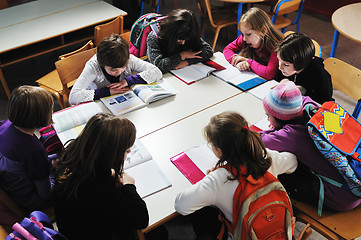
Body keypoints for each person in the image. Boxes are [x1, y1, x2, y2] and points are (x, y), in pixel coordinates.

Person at [175, 111, 297, 239]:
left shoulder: (219, 179)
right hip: (280, 234)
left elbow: (181, 206)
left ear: (220, 151)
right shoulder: (266, 157)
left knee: (201, 215)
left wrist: (209, 179)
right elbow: (293, 162)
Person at [261, 81, 361, 212]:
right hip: (354, 183)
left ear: (280, 117)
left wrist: (272, 131)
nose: (267, 119)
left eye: (268, 116)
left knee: (283, 175)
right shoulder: (313, 109)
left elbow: (257, 140)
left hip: (339, 197)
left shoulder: (291, 135)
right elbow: (304, 99)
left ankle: (291, 213)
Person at [55, 113, 149, 240]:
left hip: (70, 227)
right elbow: (141, 219)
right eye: (126, 150)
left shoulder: (72, 154)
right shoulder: (98, 185)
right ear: (112, 153)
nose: (129, 152)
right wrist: (129, 186)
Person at [0, 85, 56, 211]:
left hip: (11, 186)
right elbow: (45, 193)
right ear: (40, 115)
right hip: (31, 202)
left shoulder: (5, 124)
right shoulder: (32, 149)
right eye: (50, 109)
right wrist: (54, 171)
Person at [69, 34, 162, 105]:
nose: (119, 72)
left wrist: (128, 81)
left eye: (123, 67)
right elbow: (73, 97)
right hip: (101, 104)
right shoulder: (93, 65)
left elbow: (156, 72)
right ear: (103, 64)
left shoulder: (127, 58)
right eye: (113, 70)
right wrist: (107, 91)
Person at [223, 7, 283, 80]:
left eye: (248, 34)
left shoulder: (276, 46)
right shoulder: (246, 38)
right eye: (242, 34)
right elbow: (227, 49)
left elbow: (269, 73)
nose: (244, 39)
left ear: (263, 31)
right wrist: (237, 62)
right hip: (255, 78)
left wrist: (247, 62)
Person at [147, 9, 214, 73]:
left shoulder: (188, 32)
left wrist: (187, 62)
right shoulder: (154, 37)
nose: (183, 43)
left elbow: (208, 51)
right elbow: (158, 66)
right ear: (172, 34)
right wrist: (181, 55)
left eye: (186, 40)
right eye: (180, 40)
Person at [274, 33, 333, 104]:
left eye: (286, 64)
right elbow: (278, 78)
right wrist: (284, 81)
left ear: (300, 63)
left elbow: (324, 102)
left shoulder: (319, 74)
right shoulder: (285, 65)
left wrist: (301, 91)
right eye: (279, 60)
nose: (280, 67)